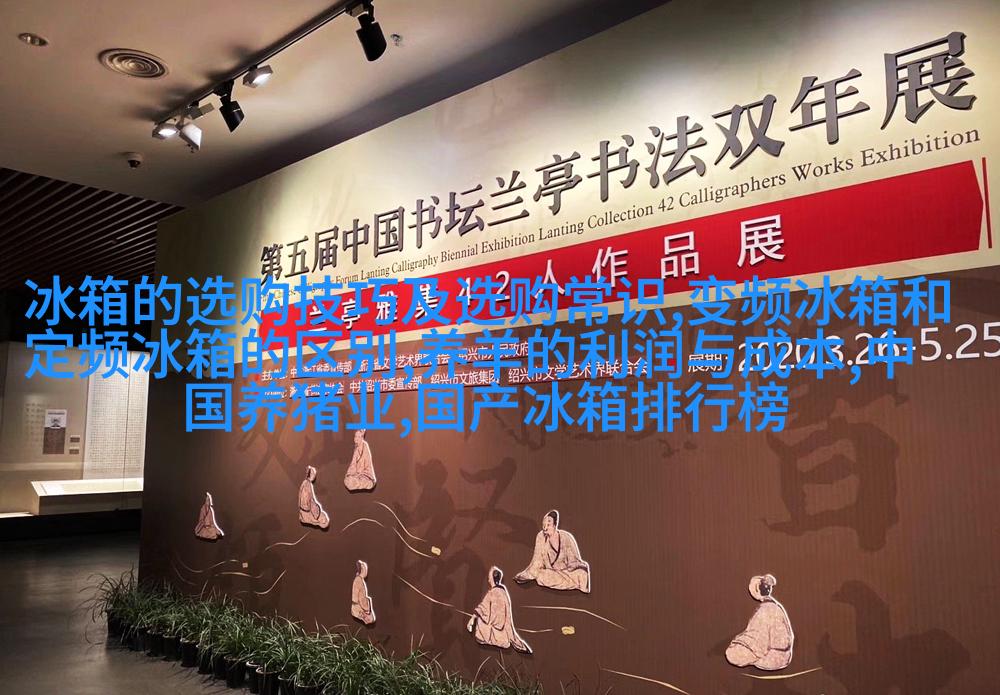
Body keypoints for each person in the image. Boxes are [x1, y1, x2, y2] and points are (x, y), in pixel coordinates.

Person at [726, 574, 794, 671]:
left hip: (773, 657)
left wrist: (741, 641)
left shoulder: (765, 609)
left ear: (757, 590)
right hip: (784, 656)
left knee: (732, 653)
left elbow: (757, 638)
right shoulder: (775, 607)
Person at [514, 510, 590, 593]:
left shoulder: (566, 537)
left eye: (548, 525)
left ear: (555, 525)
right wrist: (526, 575)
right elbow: (537, 561)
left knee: (582, 574)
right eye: (544, 525)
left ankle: (571, 582)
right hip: (551, 573)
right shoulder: (541, 537)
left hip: (567, 572)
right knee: (541, 575)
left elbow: (574, 560)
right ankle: (573, 583)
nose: (545, 528)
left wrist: (571, 567)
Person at [467, 567, 532, 653]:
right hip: (505, 630)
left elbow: (483, 608)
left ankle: (493, 639)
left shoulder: (492, 593)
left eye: (489, 578)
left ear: (492, 579)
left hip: (495, 631)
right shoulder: (503, 592)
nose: (488, 580)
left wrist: (472, 619)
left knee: (479, 620)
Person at [351, 561, 376, 625]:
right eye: (365, 569)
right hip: (358, 606)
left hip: (358, 606)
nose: (366, 571)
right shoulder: (358, 580)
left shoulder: (359, 579)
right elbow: (359, 598)